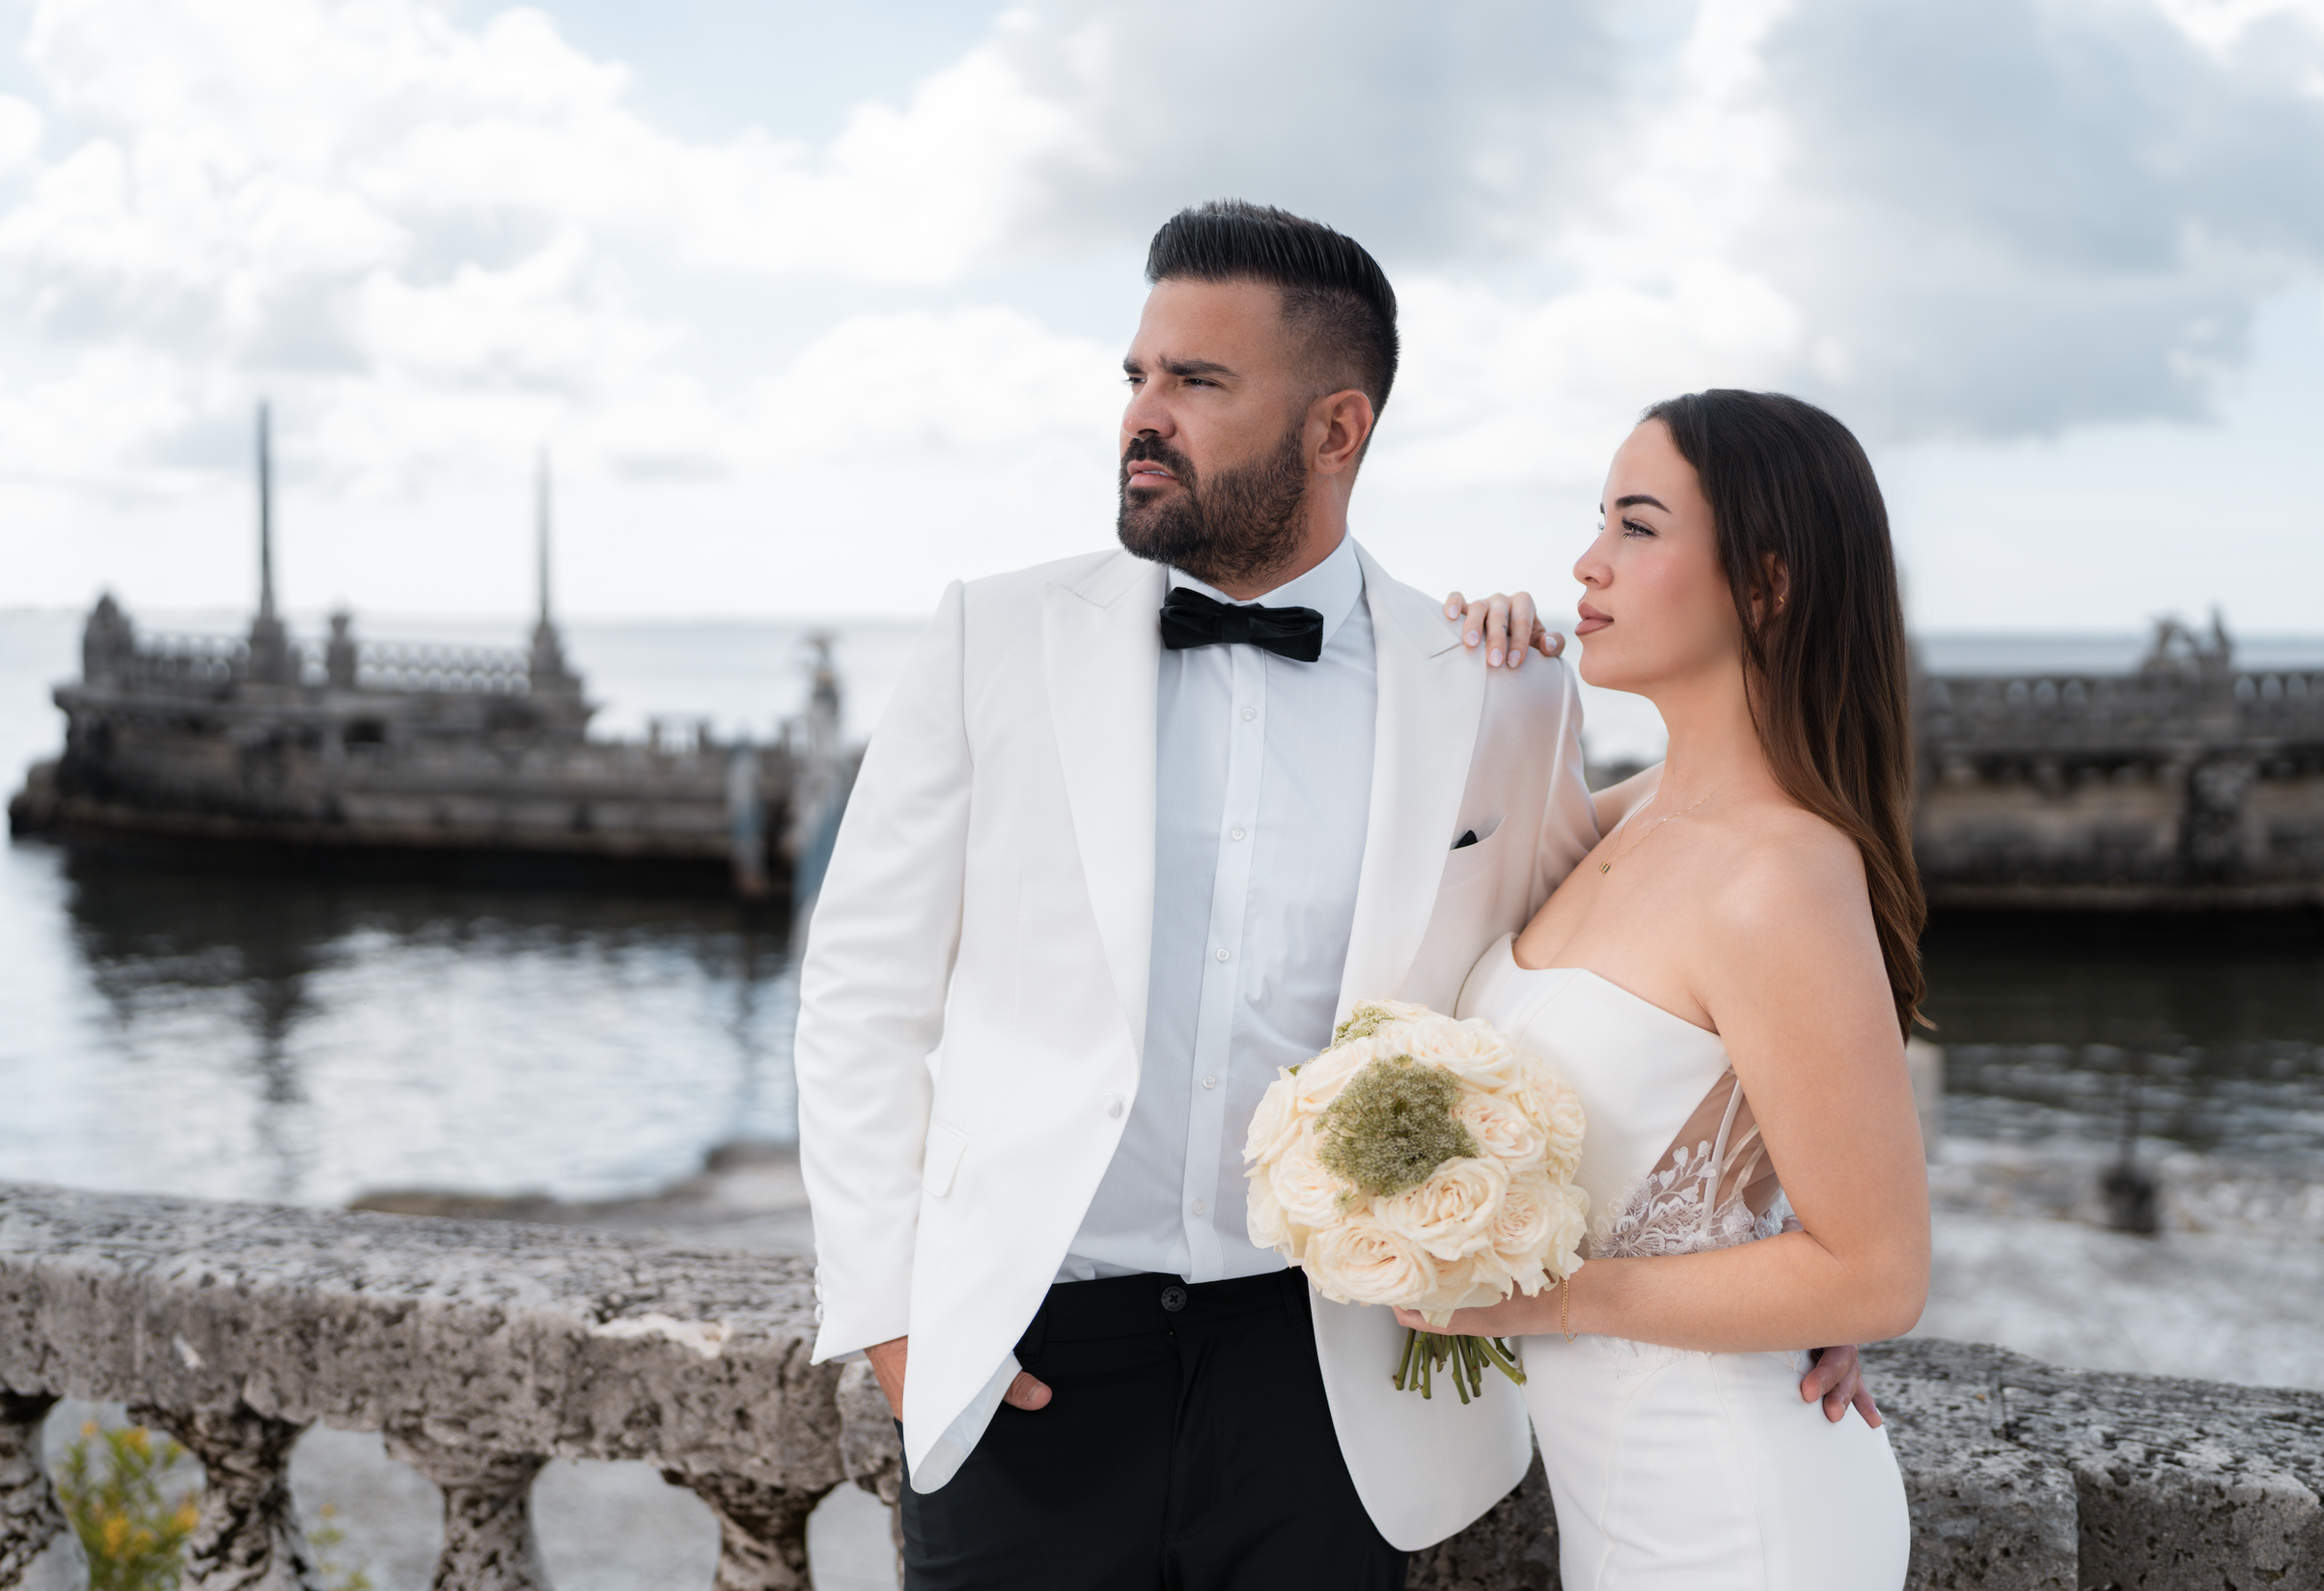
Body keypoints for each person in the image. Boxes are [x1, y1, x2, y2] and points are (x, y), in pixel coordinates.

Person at [793, 203, 1874, 1591]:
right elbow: (861, 995)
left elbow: (1600, 980)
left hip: (1333, 1370)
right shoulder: (987, 639)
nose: (1144, 414)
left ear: (1335, 428)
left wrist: (1789, 1249)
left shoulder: (1500, 687)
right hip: (1029, 1354)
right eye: (1137, 376)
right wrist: (893, 1311)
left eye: (1198, 382)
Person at [1405, 390, 1927, 1587]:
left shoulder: (1779, 874)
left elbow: (1878, 1271)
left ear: (1768, 583)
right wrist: (1484, 693)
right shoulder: (1637, 813)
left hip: (1738, 1511)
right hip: (1624, 1501)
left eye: (1637, 528)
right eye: (1598, 522)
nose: (1586, 562)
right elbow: (1432, 906)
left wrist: (1536, 1300)